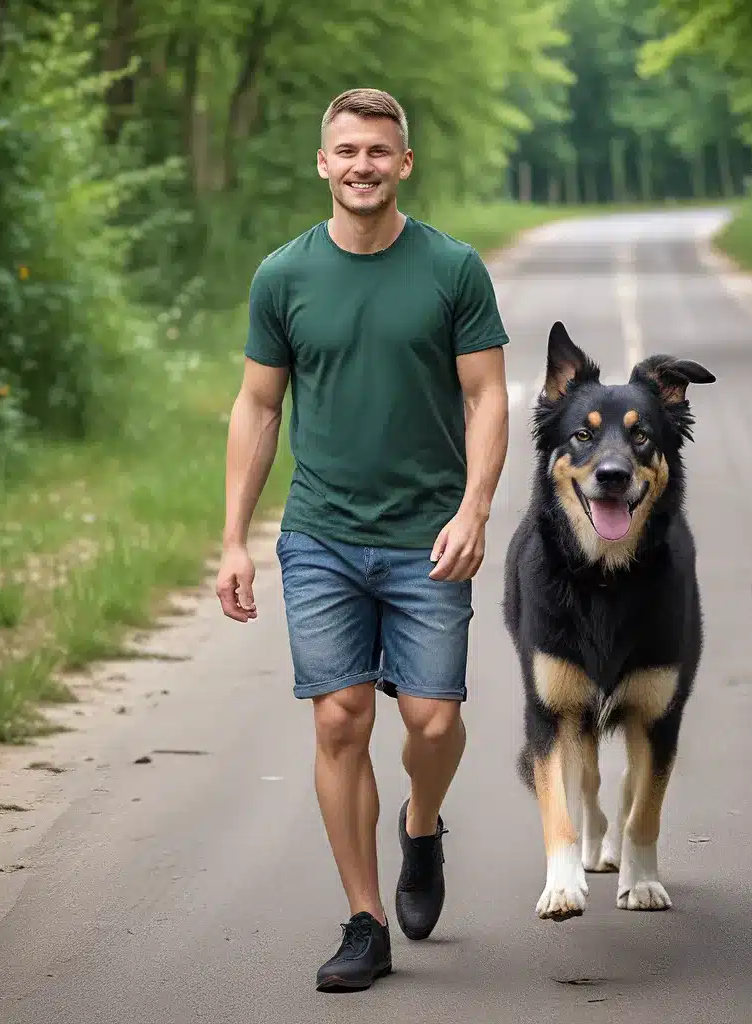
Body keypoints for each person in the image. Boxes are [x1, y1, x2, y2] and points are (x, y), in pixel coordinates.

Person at [215, 87, 510, 992]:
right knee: (341, 718)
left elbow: (488, 396)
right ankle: (364, 921)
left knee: (435, 720)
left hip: (428, 536)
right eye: (346, 151)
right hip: (324, 537)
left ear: (403, 164)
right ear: (323, 163)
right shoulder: (284, 276)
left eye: (378, 152)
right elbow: (259, 408)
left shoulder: (452, 269)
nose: (362, 166)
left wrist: (475, 508)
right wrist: (233, 538)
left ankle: (422, 825)